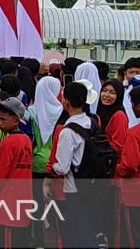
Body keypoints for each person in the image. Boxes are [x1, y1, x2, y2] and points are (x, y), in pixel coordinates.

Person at [45, 81, 98, 249]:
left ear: (65, 101)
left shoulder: (67, 131)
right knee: (87, 229)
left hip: (73, 187)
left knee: (76, 232)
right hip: (93, 184)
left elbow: (63, 167)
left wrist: (52, 168)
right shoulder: (92, 123)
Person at [0, 97, 33, 248]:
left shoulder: (8, 142)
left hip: (8, 200)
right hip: (23, 199)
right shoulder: (26, 139)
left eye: (3, 119)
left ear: (15, 120)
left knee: (8, 241)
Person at [116, 88, 140, 246]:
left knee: (134, 235)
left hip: (134, 192)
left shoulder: (135, 133)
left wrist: (116, 169)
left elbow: (129, 164)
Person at [98, 78, 128, 157]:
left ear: (119, 96)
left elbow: (118, 146)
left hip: (109, 161)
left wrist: (96, 144)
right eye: (104, 91)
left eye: (112, 93)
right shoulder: (100, 110)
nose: (107, 95)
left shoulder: (119, 116)